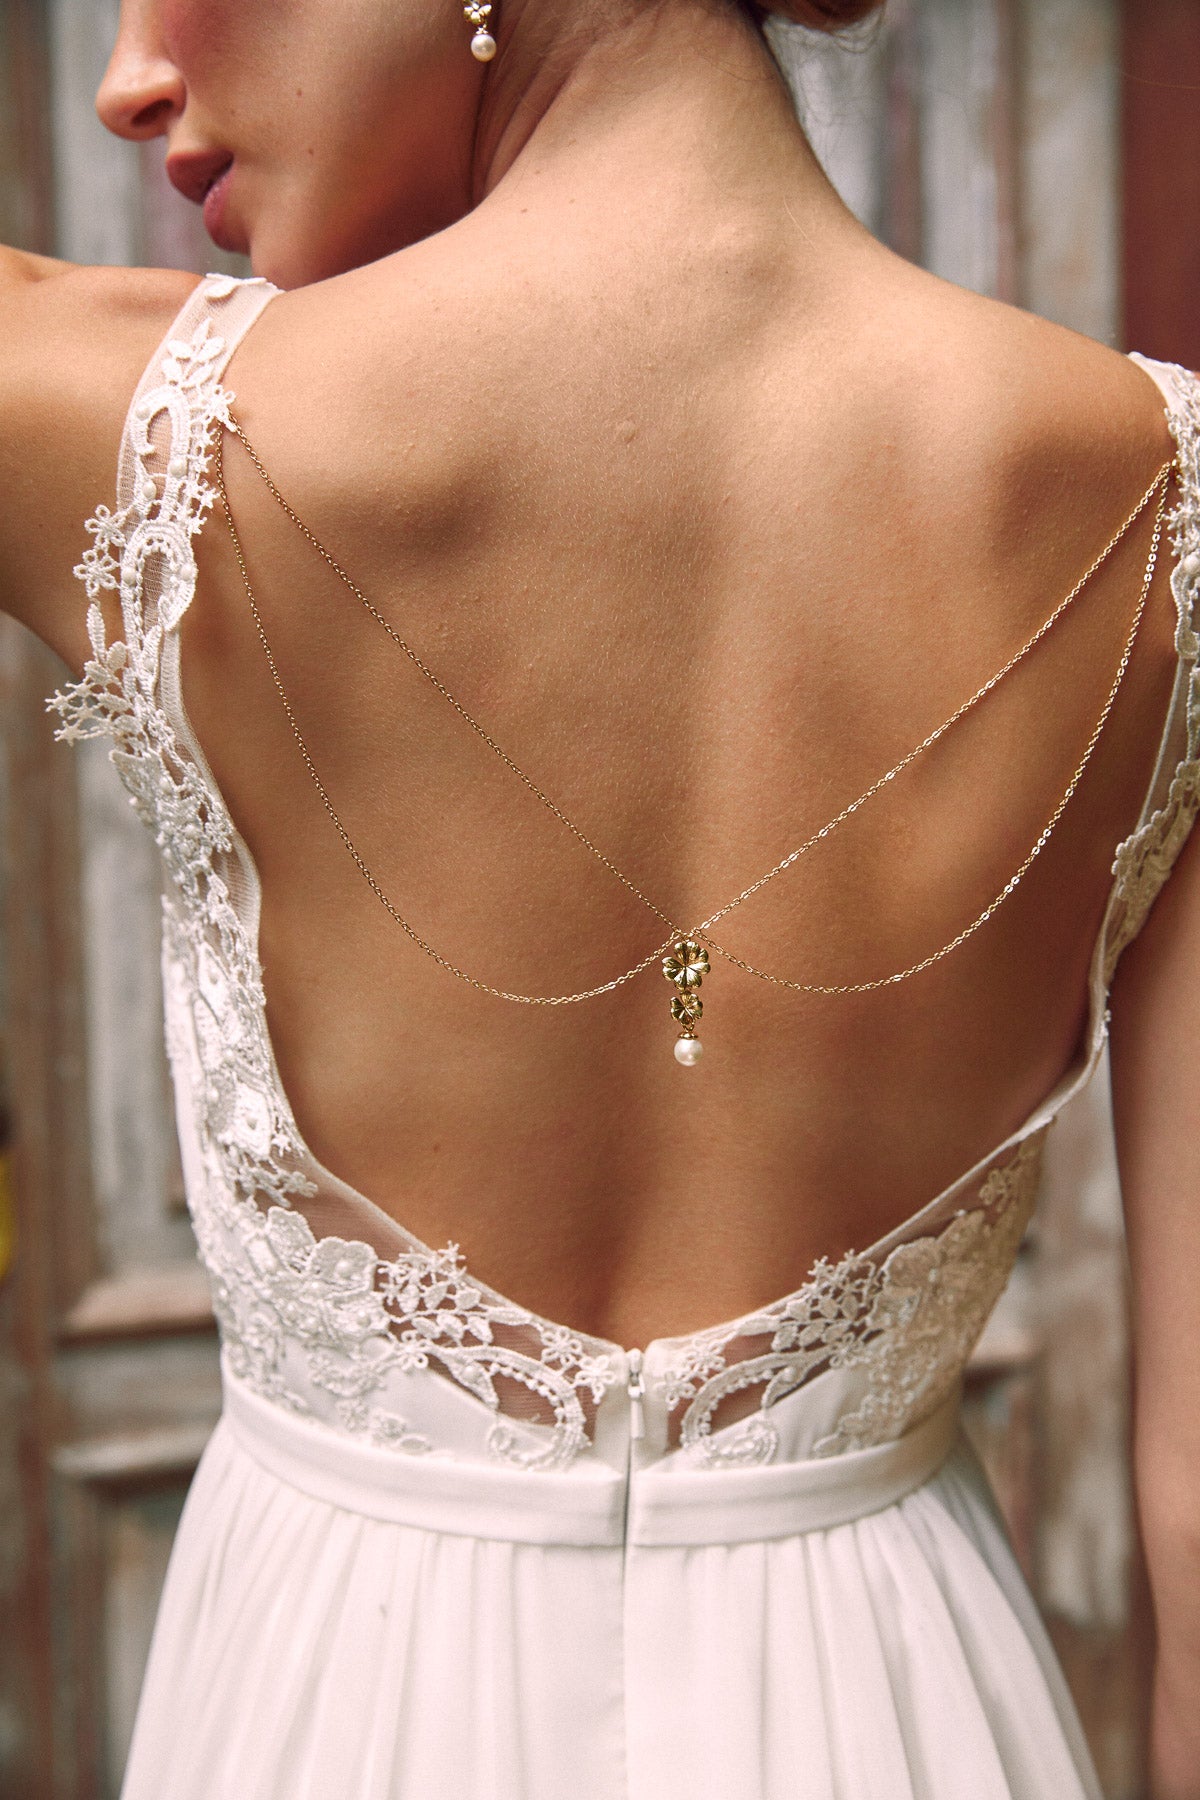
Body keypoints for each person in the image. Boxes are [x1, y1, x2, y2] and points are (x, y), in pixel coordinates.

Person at [1, 0, 1197, 1794]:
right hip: (900, 1719)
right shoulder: (1164, 507)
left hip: (334, 1713)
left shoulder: (90, 409)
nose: (125, 79)